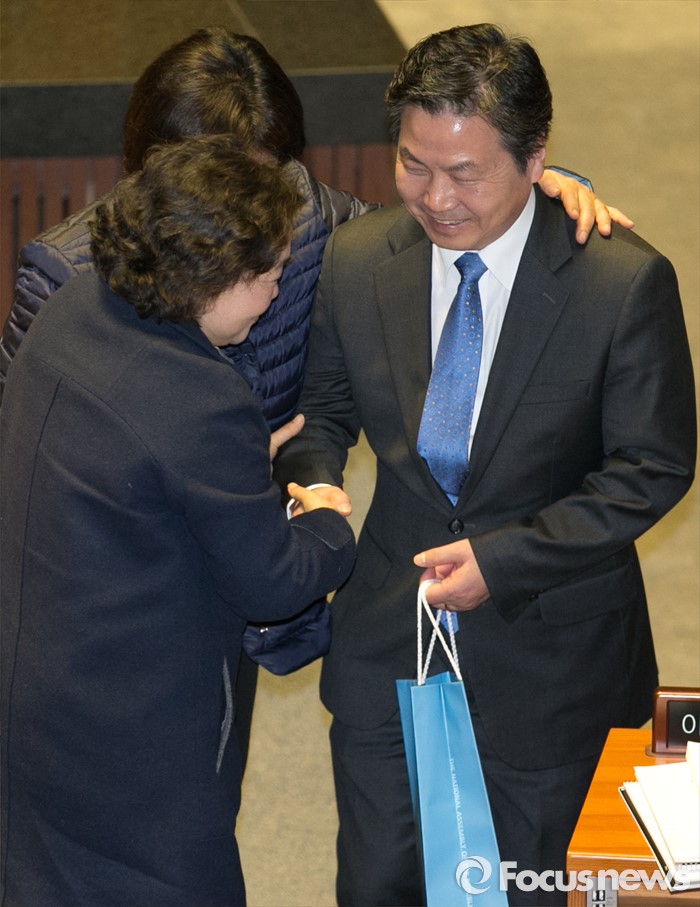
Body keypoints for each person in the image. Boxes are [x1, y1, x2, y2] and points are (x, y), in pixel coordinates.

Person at [0, 26, 631, 773]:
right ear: (150, 174)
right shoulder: (68, 277)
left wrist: (548, 186)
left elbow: (442, 226)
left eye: (260, 185)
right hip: (125, 586)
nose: (238, 224)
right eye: (206, 188)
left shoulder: (318, 227)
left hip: (259, 554)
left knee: (209, 768)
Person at [273, 23, 697, 907]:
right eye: (413, 165)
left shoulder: (620, 284)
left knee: (532, 888)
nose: (436, 199)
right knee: (379, 884)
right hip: (390, 646)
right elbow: (326, 413)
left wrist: (502, 561)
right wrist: (314, 480)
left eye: (465, 173)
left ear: (536, 159)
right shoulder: (360, 260)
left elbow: (652, 466)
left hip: (555, 670)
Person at [0, 135, 357, 907]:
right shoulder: (201, 398)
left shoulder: (72, 309)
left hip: (38, 696)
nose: (276, 292)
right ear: (211, 279)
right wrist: (324, 518)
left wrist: (223, 469)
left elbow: (134, 464)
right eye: (267, 276)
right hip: (134, 750)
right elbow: (274, 581)